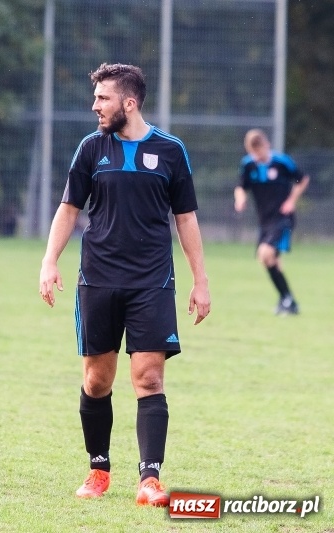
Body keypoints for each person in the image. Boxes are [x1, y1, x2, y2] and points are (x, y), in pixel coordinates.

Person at [39, 63, 211, 507]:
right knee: (98, 381)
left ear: (128, 103)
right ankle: (98, 470)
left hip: (152, 280)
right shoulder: (90, 148)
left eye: (103, 98)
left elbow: (186, 218)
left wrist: (200, 280)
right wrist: (49, 261)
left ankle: (150, 479)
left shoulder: (171, 151)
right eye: (95, 97)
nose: (94, 106)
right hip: (98, 278)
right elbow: (69, 208)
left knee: (149, 377)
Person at [234, 129, 310, 315]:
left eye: (259, 152)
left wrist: (291, 201)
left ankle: (287, 299)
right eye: (253, 153)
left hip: (283, 219)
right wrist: (240, 198)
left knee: (265, 253)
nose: (257, 156)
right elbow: (240, 187)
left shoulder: (281, 162)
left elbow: (303, 179)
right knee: (268, 259)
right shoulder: (248, 165)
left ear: (266, 145)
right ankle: (288, 300)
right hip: (265, 221)